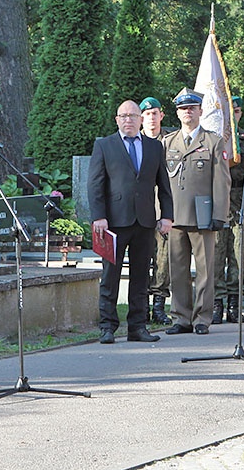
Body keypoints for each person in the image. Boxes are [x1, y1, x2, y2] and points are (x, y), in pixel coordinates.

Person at [88, 100, 174, 344]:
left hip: (145, 221)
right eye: (123, 116)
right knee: (110, 276)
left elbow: (164, 186)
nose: (128, 120)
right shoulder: (104, 145)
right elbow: (95, 184)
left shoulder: (154, 147)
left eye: (133, 116)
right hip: (113, 222)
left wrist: (166, 215)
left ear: (140, 119)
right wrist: (98, 217)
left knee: (140, 276)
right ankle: (107, 326)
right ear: (117, 119)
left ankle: (138, 326)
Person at [162, 88, 230, 335]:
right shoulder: (168, 143)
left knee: (204, 270)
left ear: (200, 111)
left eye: (191, 108)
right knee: (177, 270)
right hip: (176, 216)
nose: (187, 112)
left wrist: (219, 215)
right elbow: (160, 184)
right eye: (182, 108)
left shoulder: (213, 141)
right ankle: (180, 317)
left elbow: (221, 182)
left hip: (203, 216)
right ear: (177, 113)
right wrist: (162, 215)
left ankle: (202, 318)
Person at [212, 95, 244, 324]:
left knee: (238, 258)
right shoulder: (213, 140)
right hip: (219, 205)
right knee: (217, 258)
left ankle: (234, 304)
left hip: (242, 206)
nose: (234, 115)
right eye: (230, 111)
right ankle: (217, 303)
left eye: (237, 111)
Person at [139, 96, 177, 325]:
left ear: (162, 115)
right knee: (143, 260)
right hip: (143, 211)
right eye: (147, 114)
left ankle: (159, 307)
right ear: (141, 118)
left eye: (155, 113)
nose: (151, 118)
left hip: (164, 211)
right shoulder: (135, 142)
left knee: (164, 262)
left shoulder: (172, 142)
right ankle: (142, 306)